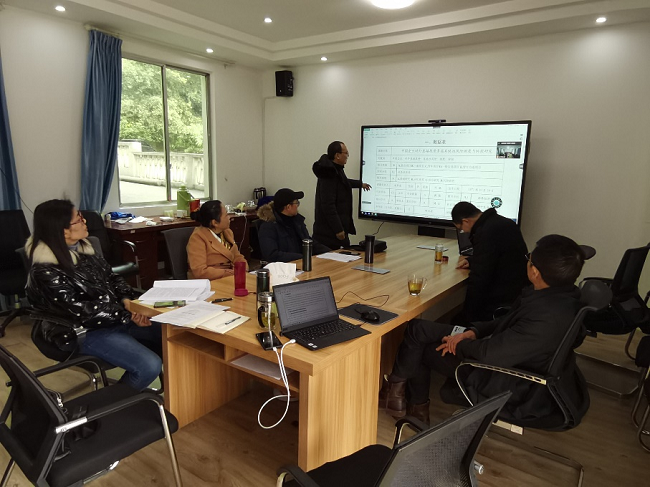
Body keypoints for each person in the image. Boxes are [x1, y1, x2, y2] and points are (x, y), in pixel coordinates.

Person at [379, 234, 588, 426]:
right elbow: (509, 321)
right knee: (417, 328)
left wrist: (460, 344)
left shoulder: (546, 318)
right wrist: (474, 331)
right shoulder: (559, 296)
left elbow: (490, 354)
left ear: (534, 272)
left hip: (502, 377)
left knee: (423, 350)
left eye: (529, 259)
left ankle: (415, 411)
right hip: (498, 348)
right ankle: (395, 395)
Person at [25, 199, 162, 391]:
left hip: (113, 318)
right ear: (63, 231)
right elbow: (82, 312)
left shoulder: (85, 250)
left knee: (171, 333)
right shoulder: (45, 270)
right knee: (149, 366)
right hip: (82, 331)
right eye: (79, 219)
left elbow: (113, 278)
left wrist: (126, 301)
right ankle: (112, 404)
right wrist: (127, 315)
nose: (85, 222)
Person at [452, 201, 528, 323]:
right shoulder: (503, 222)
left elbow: (479, 277)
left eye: (461, 229)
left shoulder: (485, 232)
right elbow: (500, 255)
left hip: (501, 300)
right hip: (518, 292)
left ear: (466, 221)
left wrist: (467, 316)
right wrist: (472, 261)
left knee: (457, 320)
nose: (464, 232)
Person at [312, 141, 371, 249]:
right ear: (337, 155)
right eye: (346, 153)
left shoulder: (335, 169)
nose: (347, 156)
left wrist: (360, 184)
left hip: (335, 230)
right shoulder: (328, 174)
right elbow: (328, 205)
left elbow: (343, 182)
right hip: (329, 234)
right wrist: (338, 229)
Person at [257, 188, 330, 262]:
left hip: (302, 262)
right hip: (284, 267)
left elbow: (308, 241)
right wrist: (303, 257)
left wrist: (329, 252)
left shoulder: (297, 221)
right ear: (288, 207)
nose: (298, 205)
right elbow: (272, 255)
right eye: (296, 203)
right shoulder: (268, 227)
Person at [187, 200, 247, 279]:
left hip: (231, 276)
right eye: (226, 215)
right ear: (215, 222)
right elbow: (200, 271)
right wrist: (232, 272)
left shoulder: (227, 232)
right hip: (211, 280)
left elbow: (237, 256)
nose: (229, 218)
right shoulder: (197, 238)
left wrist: (243, 268)